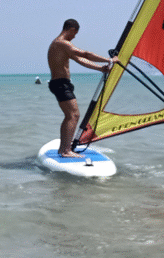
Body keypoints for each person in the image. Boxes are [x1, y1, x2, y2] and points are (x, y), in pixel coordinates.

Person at [47, 19, 118, 157]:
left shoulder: (60, 45)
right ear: (72, 29)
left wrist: (100, 69)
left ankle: (63, 149)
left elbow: (81, 60)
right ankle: (66, 151)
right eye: (75, 34)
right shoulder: (62, 43)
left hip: (61, 83)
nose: (74, 37)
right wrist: (109, 60)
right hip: (60, 84)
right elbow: (85, 54)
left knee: (70, 115)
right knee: (73, 115)